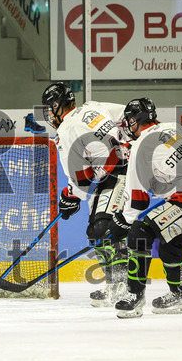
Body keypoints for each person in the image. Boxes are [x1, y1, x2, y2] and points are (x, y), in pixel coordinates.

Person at [107, 98, 182, 318]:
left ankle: (135, 295)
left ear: (134, 120)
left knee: (140, 231)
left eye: (129, 121)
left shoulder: (140, 145)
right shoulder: (173, 127)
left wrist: (121, 222)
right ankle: (179, 294)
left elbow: (138, 200)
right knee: (171, 246)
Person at [40, 83, 131, 307]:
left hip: (119, 174)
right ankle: (115, 283)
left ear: (57, 106)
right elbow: (129, 115)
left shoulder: (65, 131)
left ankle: (123, 284)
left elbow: (80, 181)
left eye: (50, 109)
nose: (49, 114)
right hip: (119, 172)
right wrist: (128, 143)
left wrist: (68, 197)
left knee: (103, 229)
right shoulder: (94, 106)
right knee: (97, 231)